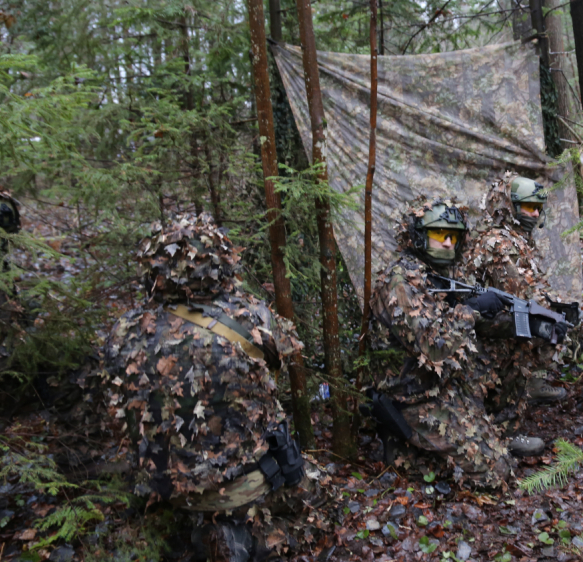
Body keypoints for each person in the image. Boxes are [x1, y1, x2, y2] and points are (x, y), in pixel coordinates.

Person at [98, 213, 313, 561]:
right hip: (237, 486)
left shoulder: (123, 331)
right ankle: (250, 533)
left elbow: (114, 410)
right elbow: (282, 359)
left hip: (161, 484)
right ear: (219, 262)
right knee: (310, 487)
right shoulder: (249, 316)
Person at [365, 199, 544, 490]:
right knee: (497, 473)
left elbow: (468, 322)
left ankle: (473, 437)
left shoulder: (439, 273)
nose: (448, 243)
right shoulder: (400, 281)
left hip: (442, 383)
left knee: (500, 460)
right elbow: (433, 348)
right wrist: (470, 310)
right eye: (439, 235)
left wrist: (520, 322)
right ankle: (403, 443)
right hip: (412, 396)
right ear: (420, 237)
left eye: (454, 237)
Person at [459, 174, 567, 418]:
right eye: (529, 208)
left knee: (549, 318)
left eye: (538, 208)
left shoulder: (514, 238)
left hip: (493, 319)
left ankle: (533, 383)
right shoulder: (500, 243)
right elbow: (522, 292)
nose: (536, 215)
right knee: (543, 322)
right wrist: (552, 314)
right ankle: (505, 413)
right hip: (482, 330)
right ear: (510, 207)